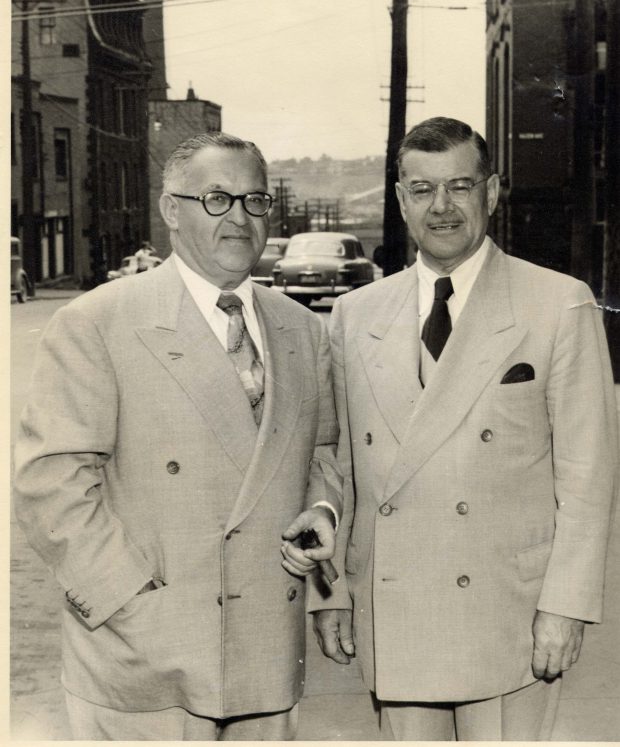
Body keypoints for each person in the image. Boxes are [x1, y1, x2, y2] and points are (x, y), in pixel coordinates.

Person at [14, 131, 342, 741]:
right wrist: (133, 607)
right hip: (141, 662)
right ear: (172, 210)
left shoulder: (300, 329)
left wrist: (321, 508)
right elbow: (49, 487)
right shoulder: (97, 323)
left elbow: (321, 455)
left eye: (255, 200)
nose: (240, 218)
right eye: (217, 199)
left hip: (266, 659)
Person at [311, 117, 618, 740]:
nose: (442, 207)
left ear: (493, 192)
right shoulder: (354, 314)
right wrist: (332, 591)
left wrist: (566, 605)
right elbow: (333, 465)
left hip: (510, 614)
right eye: (422, 190)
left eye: (460, 186)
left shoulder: (558, 303)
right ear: (400, 200)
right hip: (396, 609)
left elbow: (588, 478)